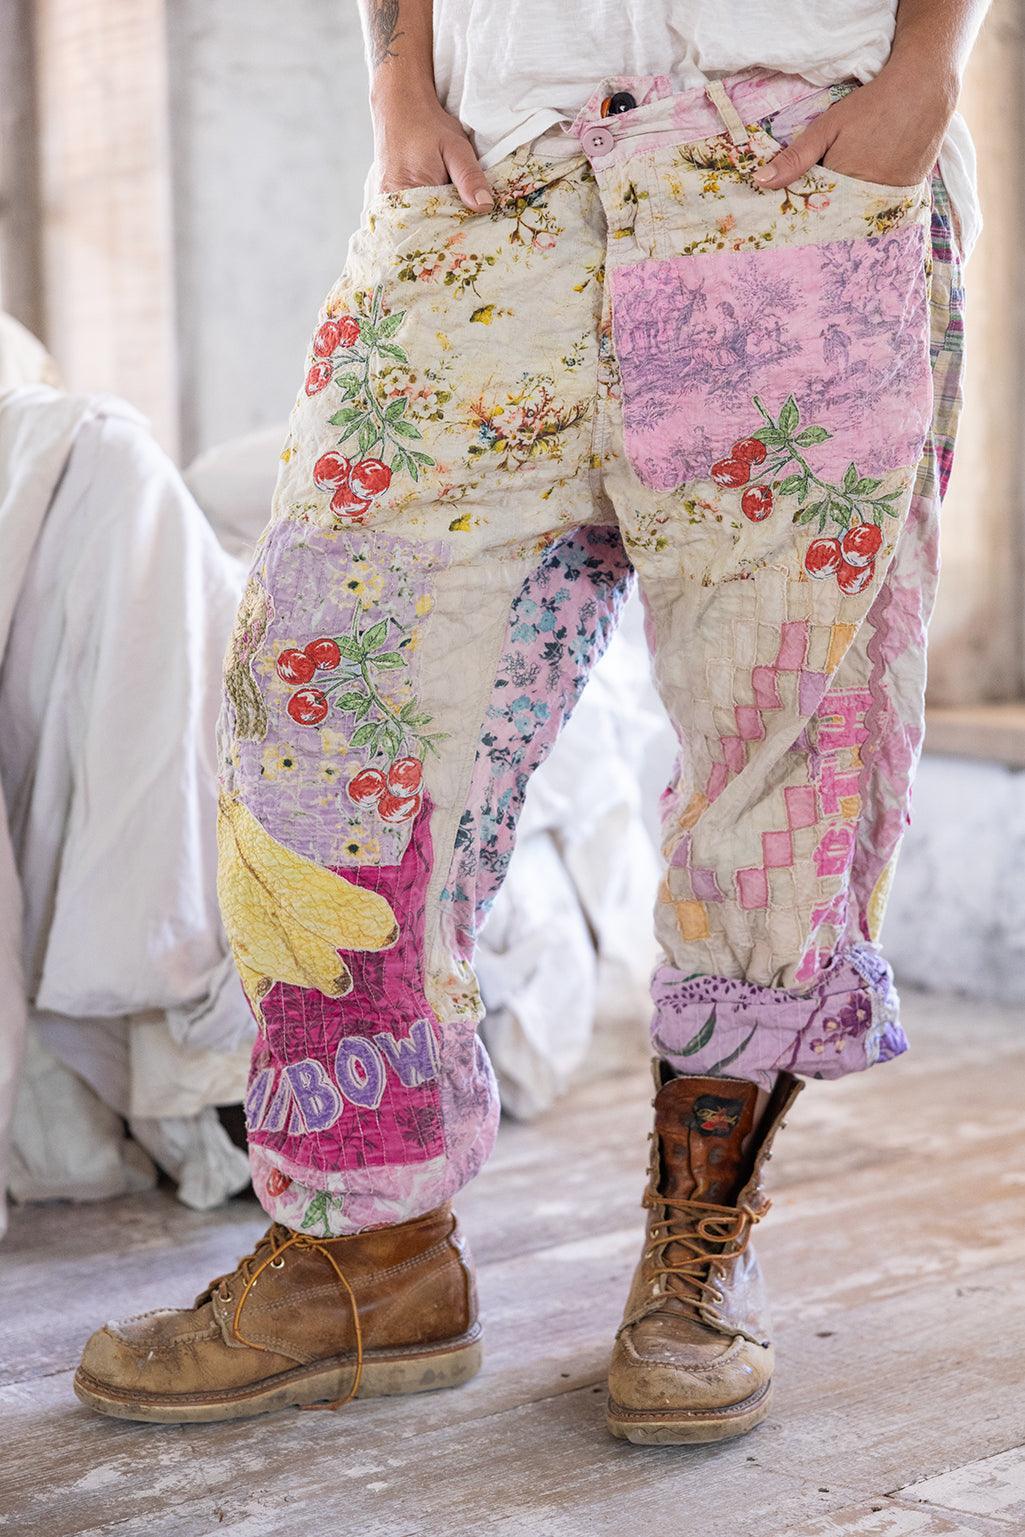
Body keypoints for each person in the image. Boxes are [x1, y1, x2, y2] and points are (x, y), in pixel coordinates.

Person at [76, 0, 986, 1443]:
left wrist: (929, 66)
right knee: (320, 697)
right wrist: (398, 75)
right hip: (495, 166)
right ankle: (370, 1253)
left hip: (794, 153)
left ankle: (698, 1250)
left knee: (784, 737)